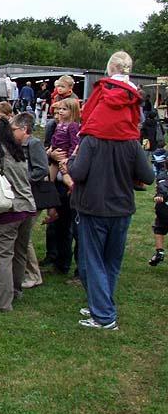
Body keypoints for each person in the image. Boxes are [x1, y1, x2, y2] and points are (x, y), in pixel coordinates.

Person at [69, 115, 153, 329]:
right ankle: (101, 304)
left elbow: (78, 173)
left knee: (93, 261)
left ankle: (104, 315)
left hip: (94, 208)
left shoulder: (91, 140)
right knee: (111, 262)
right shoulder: (131, 143)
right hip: (121, 209)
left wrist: (71, 159)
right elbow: (148, 176)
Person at [0, 118, 37, 312]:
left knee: (3, 255)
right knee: (19, 253)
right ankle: (15, 290)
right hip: (28, 207)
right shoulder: (19, 151)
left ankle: (2, 302)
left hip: (8, 209)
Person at [11, 112, 49, 289]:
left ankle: (34, 274)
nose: (11, 133)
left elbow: (41, 169)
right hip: (22, 195)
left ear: (24, 129)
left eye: (14, 129)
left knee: (25, 237)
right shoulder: (19, 145)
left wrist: (21, 178)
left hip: (33, 196)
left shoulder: (34, 144)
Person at [81, 51, 141, 144]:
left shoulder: (103, 86)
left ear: (110, 67)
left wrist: (84, 129)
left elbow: (88, 110)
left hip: (97, 134)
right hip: (124, 136)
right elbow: (135, 116)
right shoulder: (132, 91)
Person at [46, 98, 81, 192]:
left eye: (64, 109)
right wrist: (51, 149)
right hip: (55, 155)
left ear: (72, 111)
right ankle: (51, 201)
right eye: (60, 109)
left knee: (66, 177)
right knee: (49, 181)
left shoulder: (73, 126)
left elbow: (75, 143)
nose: (60, 111)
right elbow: (55, 138)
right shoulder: (60, 124)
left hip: (64, 157)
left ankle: (74, 191)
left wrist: (68, 158)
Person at [150, 172, 168, 266]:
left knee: (159, 228)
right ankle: (159, 253)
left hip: (163, 209)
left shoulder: (162, 176)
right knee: (159, 227)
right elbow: (162, 188)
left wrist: (159, 195)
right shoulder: (162, 177)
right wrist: (160, 195)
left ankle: (159, 252)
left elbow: (161, 188)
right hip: (163, 208)